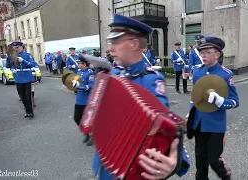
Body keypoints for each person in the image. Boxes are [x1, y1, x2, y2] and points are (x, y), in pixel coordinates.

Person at [92, 13, 190, 180]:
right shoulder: (111, 75)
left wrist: (175, 157)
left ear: (134, 44)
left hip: (134, 166)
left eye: (116, 41)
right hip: (107, 163)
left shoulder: (151, 79)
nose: (111, 48)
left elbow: (165, 124)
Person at [188, 36, 239, 180]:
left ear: (217, 54)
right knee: (200, 162)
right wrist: (190, 112)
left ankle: (225, 176)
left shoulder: (225, 74)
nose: (203, 55)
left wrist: (220, 101)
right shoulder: (197, 72)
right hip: (199, 124)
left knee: (214, 160)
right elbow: (195, 96)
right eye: (201, 52)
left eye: (207, 52)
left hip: (216, 126)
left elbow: (235, 101)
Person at [71, 55, 95, 146]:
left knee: (88, 119)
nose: (78, 64)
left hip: (87, 100)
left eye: (79, 63)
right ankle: (87, 133)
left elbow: (91, 86)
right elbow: (75, 82)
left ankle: (92, 135)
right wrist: (73, 83)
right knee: (77, 118)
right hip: (79, 100)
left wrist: (80, 86)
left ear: (84, 64)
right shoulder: (78, 71)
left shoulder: (90, 73)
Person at [10, 41, 37, 118]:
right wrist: (12, 69)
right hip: (18, 78)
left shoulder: (27, 55)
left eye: (17, 47)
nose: (16, 49)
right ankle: (27, 111)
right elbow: (10, 65)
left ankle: (31, 112)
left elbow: (33, 64)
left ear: (22, 47)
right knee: (22, 97)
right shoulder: (13, 56)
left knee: (28, 96)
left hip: (27, 77)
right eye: (15, 48)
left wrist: (24, 61)